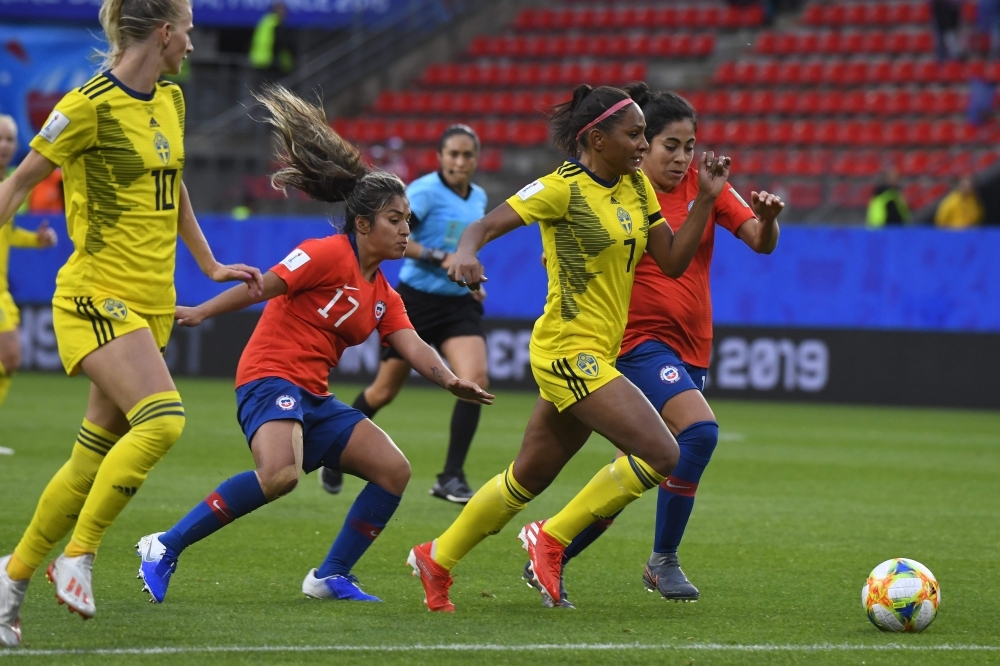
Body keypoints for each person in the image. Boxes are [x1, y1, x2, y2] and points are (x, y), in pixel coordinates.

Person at [134, 85, 492, 604]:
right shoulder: (324, 253)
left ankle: (330, 576)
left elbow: (411, 344)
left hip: (312, 395)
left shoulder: (382, 292)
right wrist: (201, 311)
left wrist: (450, 380)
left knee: (394, 470)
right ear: (364, 224)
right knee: (280, 475)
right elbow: (265, 285)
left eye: (408, 221)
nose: (404, 230)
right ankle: (164, 546)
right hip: (268, 376)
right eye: (396, 220)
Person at [407, 82, 731, 612]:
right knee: (664, 452)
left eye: (646, 136)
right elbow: (485, 225)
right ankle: (551, 538)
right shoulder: (562, 187)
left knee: (527, 476)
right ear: (597, 139)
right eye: (635, 136)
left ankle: (436, 557)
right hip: (565, 349)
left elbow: (671, 261)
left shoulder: (636, 188)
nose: (643, 146)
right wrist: (465, 252)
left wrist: (707, 201)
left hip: (598, 353)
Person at [0, 0, 264, 646]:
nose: (195, 48)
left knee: (89, 458)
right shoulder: (86, 105)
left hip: (149, 304)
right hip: (94, 296)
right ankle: (79, 554)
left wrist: (209, 263)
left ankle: (10, 580)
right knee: (165, 418)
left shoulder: (169, 101)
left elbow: (174, 188)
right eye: (191, 34)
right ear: (166, 33)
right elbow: (14, 185)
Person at [525, 89, 784, 607]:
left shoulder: (704, 185)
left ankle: (552, 547)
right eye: (670, 144)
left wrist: (769, 217)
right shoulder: (627, 187)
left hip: (693, 346)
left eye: (690, 145)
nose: (681, 156)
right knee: (700, 433)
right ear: (645, 144)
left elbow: (760, 240)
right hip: (636, 343)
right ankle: (662, 559)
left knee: (637, 470)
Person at [321, 125, 489, 503]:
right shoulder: (425, 192)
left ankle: (451, 476)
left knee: (475, 378)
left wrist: (471, 278)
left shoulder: (478, 197)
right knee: (383, 391)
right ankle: (333, 452)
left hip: (458, 302)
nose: (460, 161)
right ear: (441, 157)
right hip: (416, 301)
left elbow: (463, 247)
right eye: (453, 154)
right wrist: (437, 256)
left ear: (476, 159)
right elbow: (398, 233)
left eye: (467, 155)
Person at [0, 115, 59, 417]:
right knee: (9, 355)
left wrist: (35, 240)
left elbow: (5, 233)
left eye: (10, 139)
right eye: (0, 139)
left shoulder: (10, 184)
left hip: (3, 290)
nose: (5, 146)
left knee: (10, 361)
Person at [249, 2, 294, 86]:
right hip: (271, 62)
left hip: (259, 59)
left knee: (261, 88)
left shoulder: (265, 21)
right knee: (272, 88)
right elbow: (280, 43)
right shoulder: (276, 24)